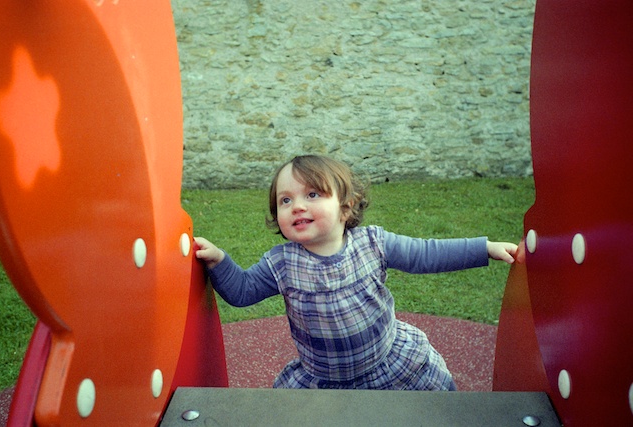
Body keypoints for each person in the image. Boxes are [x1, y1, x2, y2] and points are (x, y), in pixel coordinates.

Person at [195, 154, 517, 390]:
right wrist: (219, 260)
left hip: (390, 365)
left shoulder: (374, 243)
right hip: (324, 381)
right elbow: (243, 291)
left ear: (346, 207)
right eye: (285, 200)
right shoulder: (281, 263)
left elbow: (425, 254)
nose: (297, 206)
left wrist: (484, 248)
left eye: (312, 194)